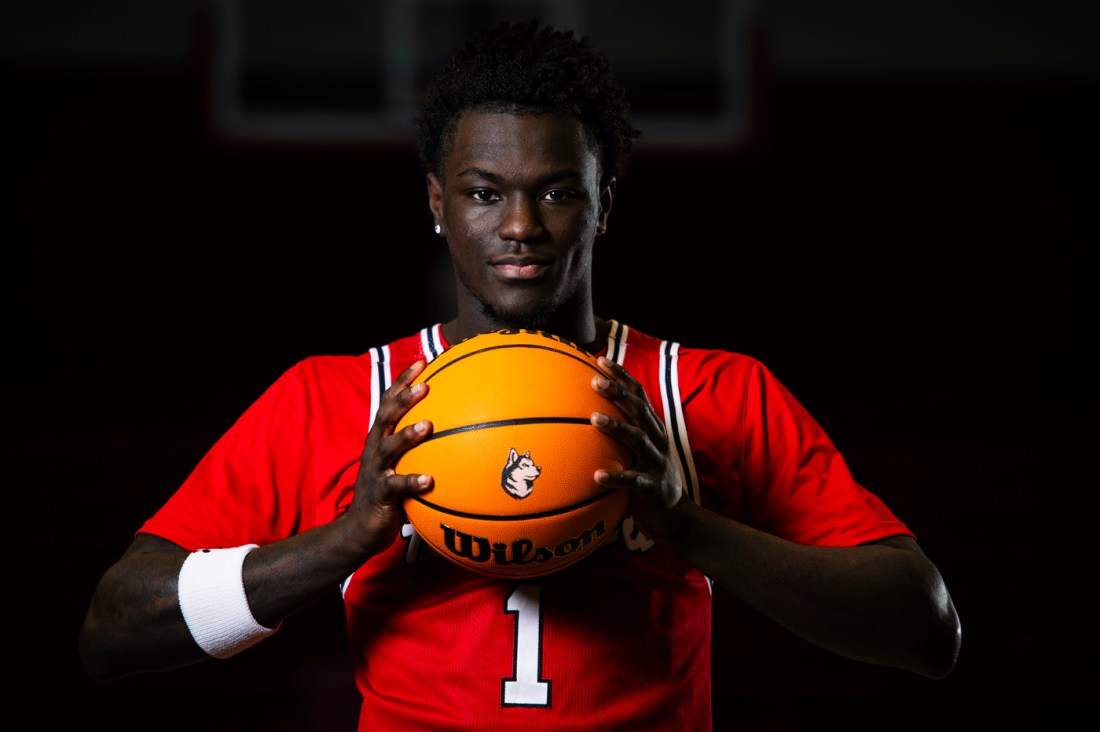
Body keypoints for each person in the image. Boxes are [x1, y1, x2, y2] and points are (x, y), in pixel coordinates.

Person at [79, 18, 961, 730]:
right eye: (483, 191)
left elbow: (927, 630)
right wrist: (343, 541)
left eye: (557, 190)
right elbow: (114, 632)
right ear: (436, 203)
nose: (521, 226)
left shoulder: (710, 395)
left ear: (604, 201)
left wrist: (688, 525)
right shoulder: (339, 397)